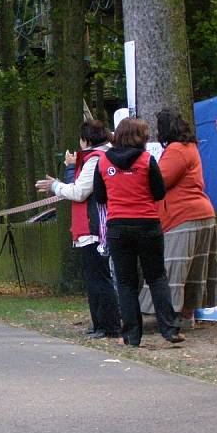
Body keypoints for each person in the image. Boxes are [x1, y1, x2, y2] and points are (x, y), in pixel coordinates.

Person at [93, 118, 185, 347]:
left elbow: (100, 197)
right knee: (156, 277)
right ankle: (170, 329)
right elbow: (159, 192)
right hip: (147, 225)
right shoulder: (146, 160)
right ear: (139, 138)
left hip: (117, 227)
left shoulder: (103, 162)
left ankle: (131, 336)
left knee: (125, 282)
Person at [36, 119, 121, 339]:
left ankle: (108, 325)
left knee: (100, 278)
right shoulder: (98, 157)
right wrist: (71, 169)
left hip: (95, 226)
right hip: (90, 225)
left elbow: (79, 191)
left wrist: (54, 186)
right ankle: (99, 323)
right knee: (94, 278)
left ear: (86, 140)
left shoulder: (96, 159)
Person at [138, 109, 217, 327]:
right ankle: (186, 316)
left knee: (172, 267)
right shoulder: (190, 147)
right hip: (202, 213)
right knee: (192, 270)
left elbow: (160, 181)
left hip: (183, 216)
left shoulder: (176, 150)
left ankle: (164, 316)